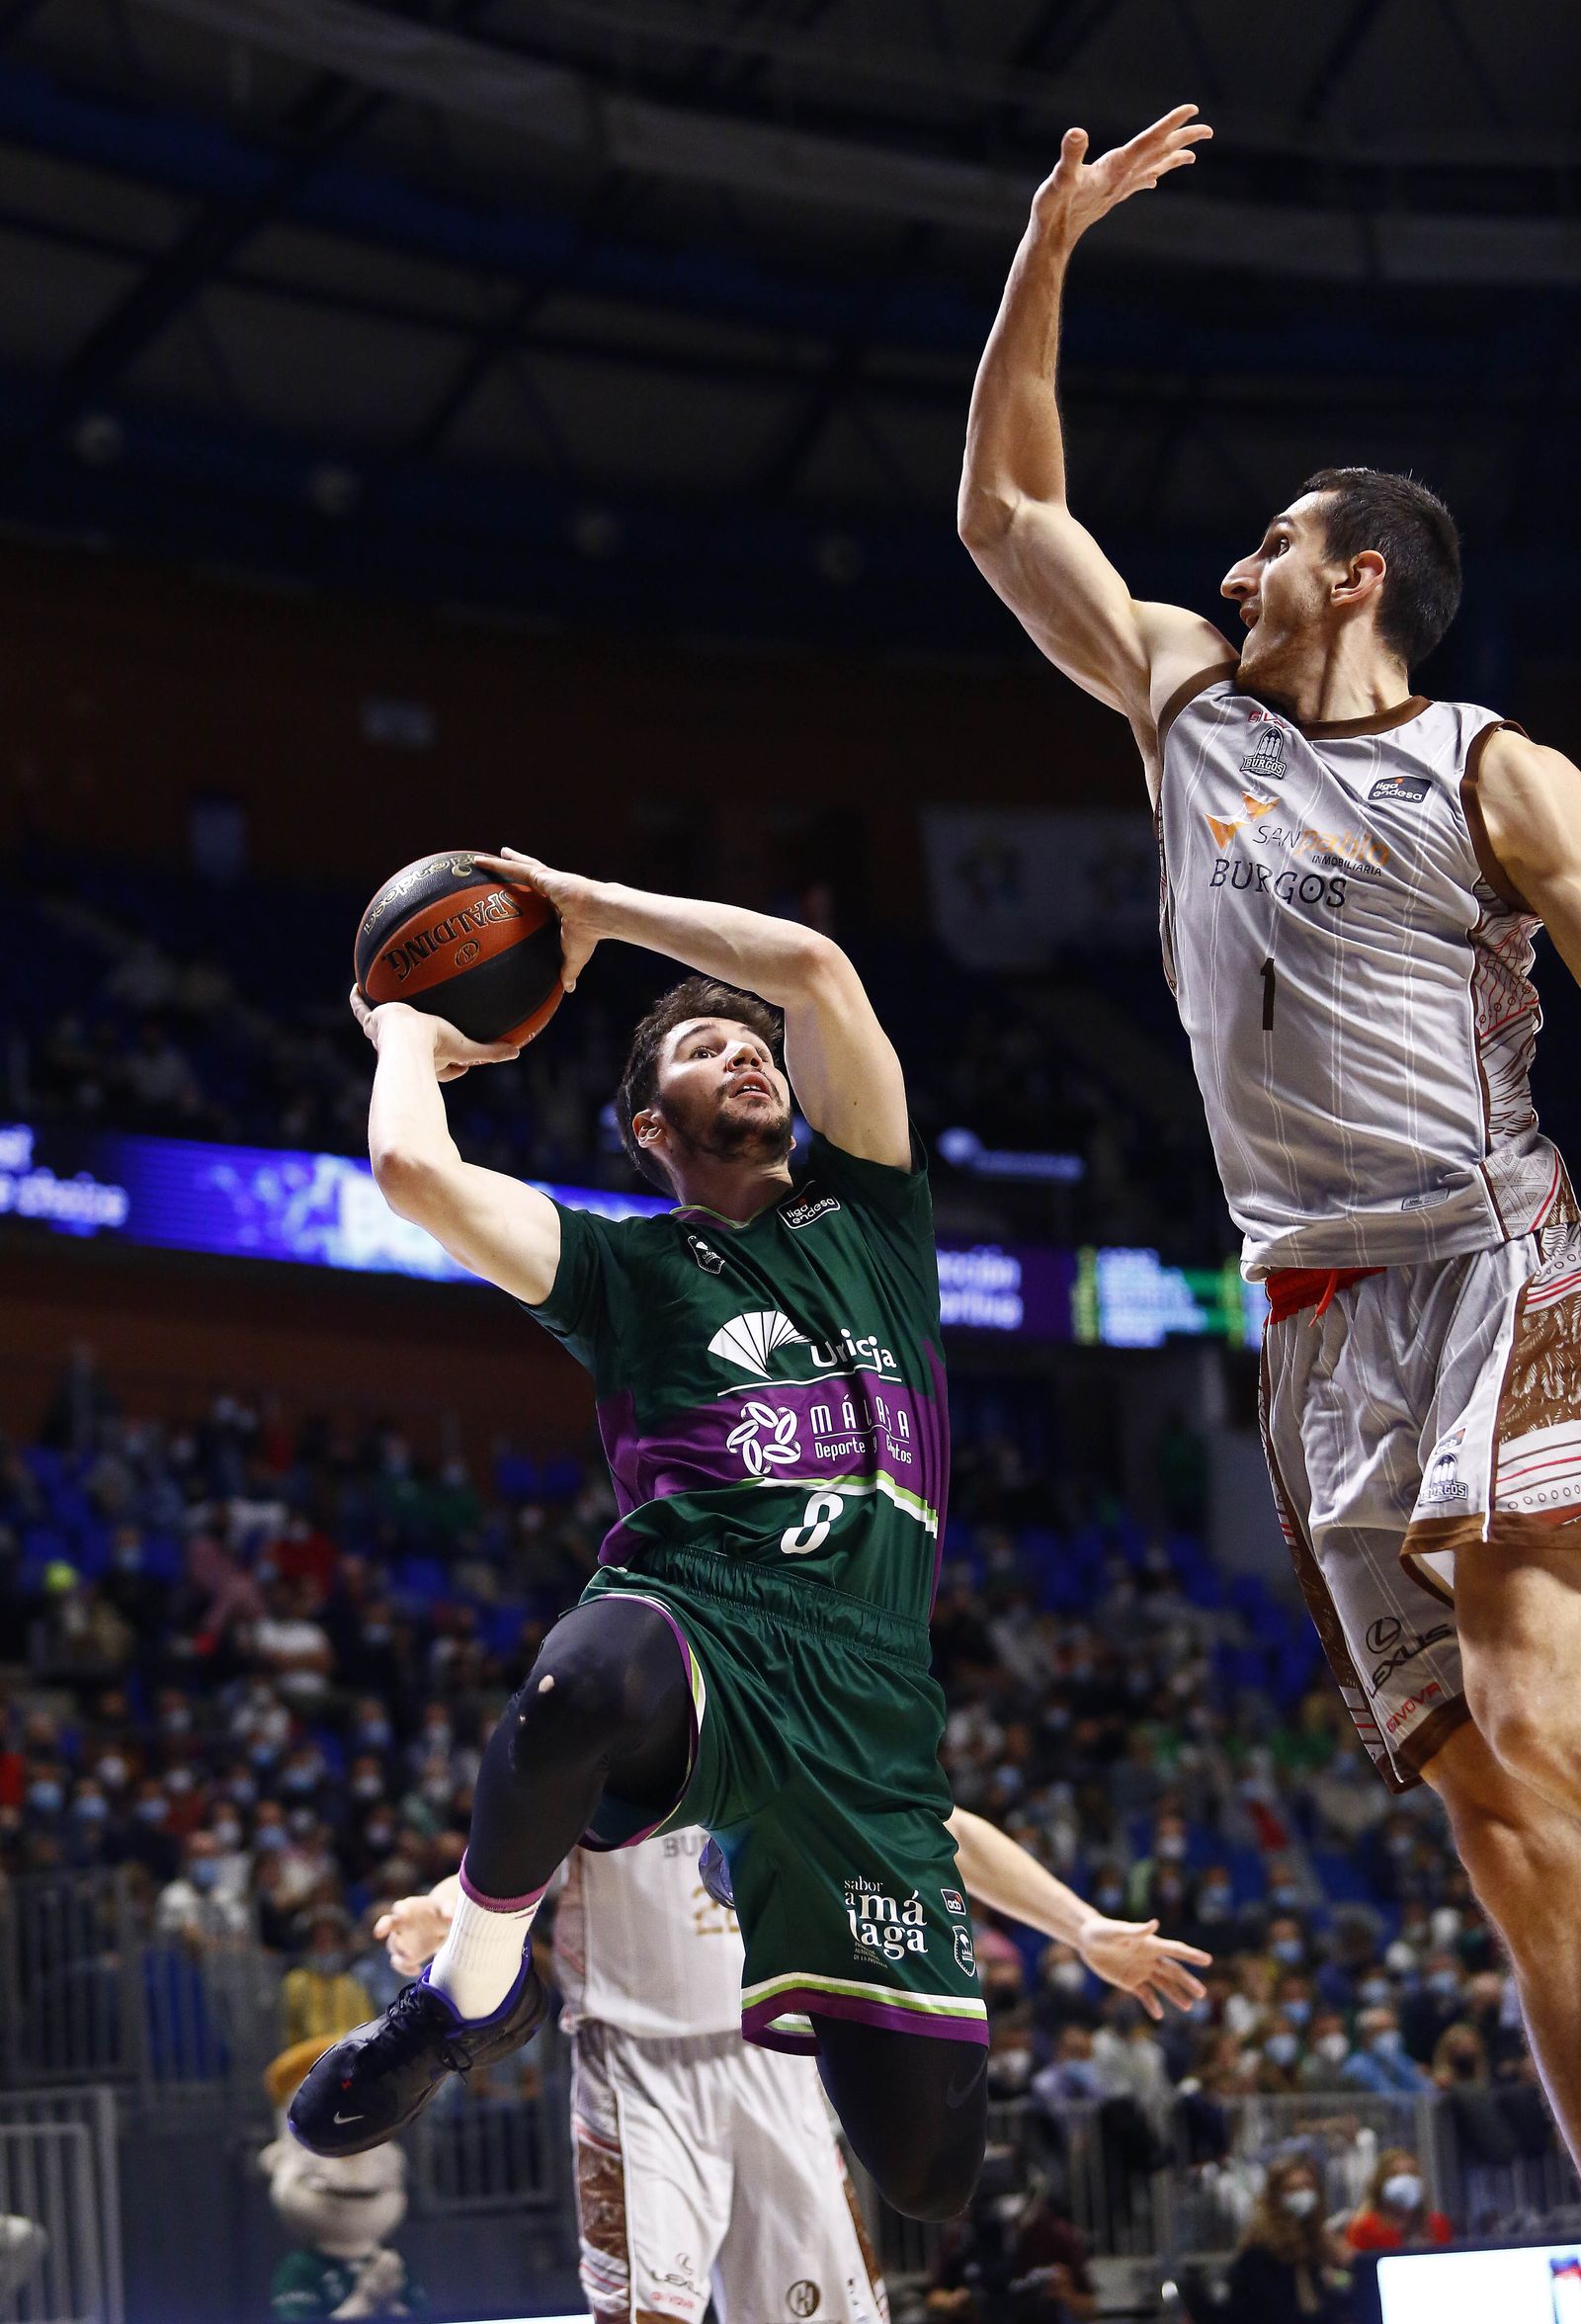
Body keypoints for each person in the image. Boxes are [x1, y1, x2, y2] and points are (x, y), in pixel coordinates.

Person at [958, 102, 1581, 2167]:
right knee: (1503, 1853)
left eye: (1267, 547)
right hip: (1308, 1327)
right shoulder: (1179, 701)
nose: (1227, 571)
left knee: (1528, 1723)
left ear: (1359, 574)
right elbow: (1005, 518)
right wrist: (1045, 248)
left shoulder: (1488, 773)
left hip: (1492, 1262)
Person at [291, 861, 1204, 2219]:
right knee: (581, 1682)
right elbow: (413, 1169)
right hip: (704, 1622)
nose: (750, 1055)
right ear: (653, 1125)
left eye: (752, 1044)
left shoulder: (876, 1224)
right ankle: (471, 1999)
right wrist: (411, 1030)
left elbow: (819, 975)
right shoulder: (623, 1270)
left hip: (869, 1711)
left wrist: (587, 907)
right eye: (709, 1051)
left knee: (932, 2181)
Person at [379, 1806, 1200, 2324]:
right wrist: (445, 1922)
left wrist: (1082, 1924)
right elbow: (514, 1853)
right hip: (638, 2069)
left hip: (777, 2054)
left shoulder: (788, 1696)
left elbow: (934, 1824)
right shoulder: (616, 1706)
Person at [1224, 2154, 1352, 2324]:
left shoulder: (1319, 2244)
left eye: (1307, 2186)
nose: (1303, 2195)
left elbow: (1338, 2294)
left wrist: (1345, 2271)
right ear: (1276, 2197)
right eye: (1292, 2189)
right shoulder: (1259, 2253)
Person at [1343, 2148, 1452, 2255]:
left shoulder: (1437, 2224)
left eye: (1411, 2173)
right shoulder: (1363, 2228)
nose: (1404, 2181)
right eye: (1395, 2174)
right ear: (1380, 2182)